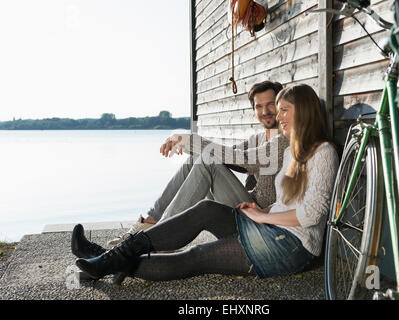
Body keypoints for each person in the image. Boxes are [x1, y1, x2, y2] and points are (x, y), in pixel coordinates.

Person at [74, 84, 339, 283]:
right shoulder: (293, 150)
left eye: (282, 109)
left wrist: (261, 215)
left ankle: (111, 259)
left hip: (290, 245)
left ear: (302, 112)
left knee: (195, 257)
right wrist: (265, 212)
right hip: (271, 227)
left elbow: (313, 213)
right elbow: (284, 201)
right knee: (206, 207)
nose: (275, 115)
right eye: (265, 107)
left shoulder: (321, 151)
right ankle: (114, 254)